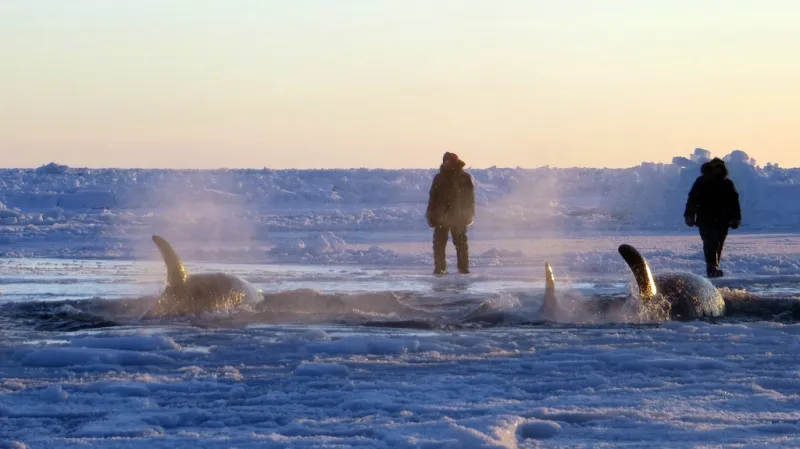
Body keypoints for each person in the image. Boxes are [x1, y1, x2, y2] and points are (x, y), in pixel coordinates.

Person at [683, 157, 741, 278]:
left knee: (719, 243)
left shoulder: (727, 184)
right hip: (705, 219)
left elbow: (734, 202)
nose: (719, 170)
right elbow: (692, 199)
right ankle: (712, 267)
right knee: (710, 242)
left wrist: (736, 218)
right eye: (716, 168)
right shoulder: (701, 182)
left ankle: (713, 267)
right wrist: (689, 215)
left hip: (723, 220)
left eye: (721, 168)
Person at [426, 152, 475, 274]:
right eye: (445, 161)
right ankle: (440, 269)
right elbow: (433, 197)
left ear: (455, 163)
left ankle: (463, 269)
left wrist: (469, 213)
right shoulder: (439, 178)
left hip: (459, 216)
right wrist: (430, 213)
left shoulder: (464, 178)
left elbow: (469, 198)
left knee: (461, 243)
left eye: (449, 162)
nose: (446, 164)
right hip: (440, 216)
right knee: (439, 243)